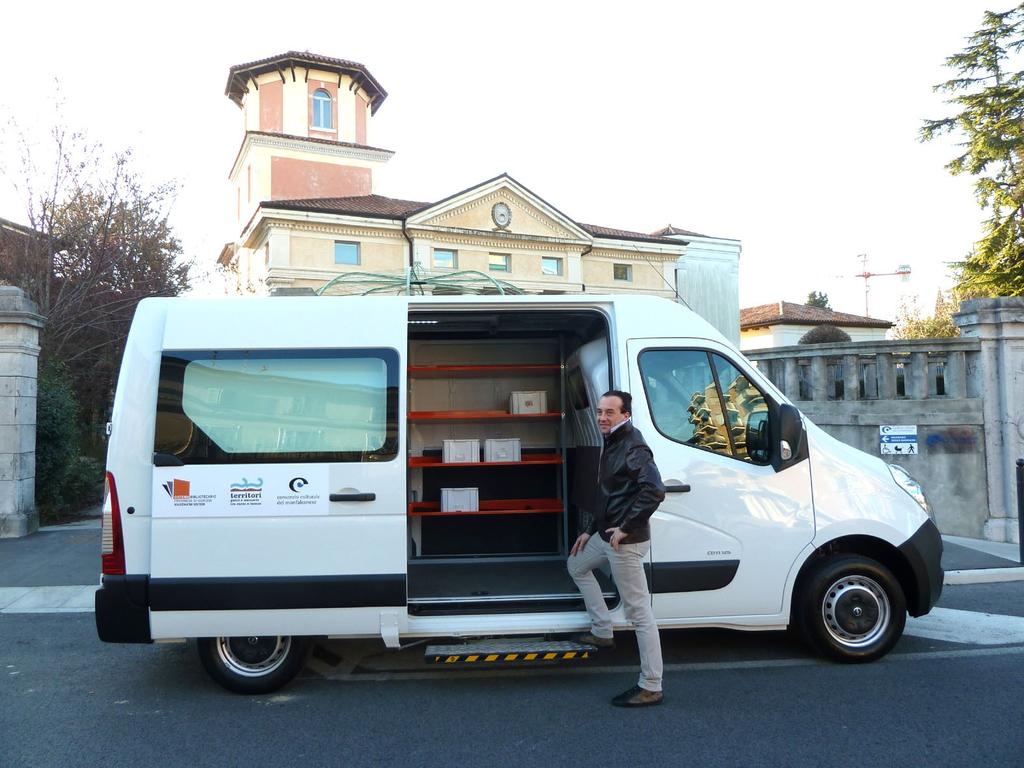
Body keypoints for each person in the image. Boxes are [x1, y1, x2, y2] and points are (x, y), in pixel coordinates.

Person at [568, 389, 667, 707]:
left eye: (609, 412)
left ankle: (651, 684)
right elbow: (607, 494)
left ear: (626, 415)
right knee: (576, 565)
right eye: (599, 412)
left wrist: (626, 528)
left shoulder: (633, 445)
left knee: (640, 614)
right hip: (605, 534)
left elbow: (653, 490)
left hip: (624, 541)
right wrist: (588, 530)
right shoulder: (612, 441)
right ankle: (602, 629)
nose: (602, 418)